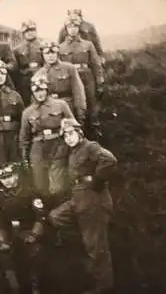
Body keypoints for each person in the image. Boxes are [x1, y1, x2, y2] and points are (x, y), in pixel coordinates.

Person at [48, 118, 117, 294]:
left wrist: (98, 180)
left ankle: (103, 286)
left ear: (79, 133)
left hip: (93, 199)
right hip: (78, 198)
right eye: (65, 136)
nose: (68, 138)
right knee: (56, 217)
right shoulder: (73, 151)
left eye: (71, 133)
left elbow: (109, 160)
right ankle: (87, 261)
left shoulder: (89, 146)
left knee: (96, 245)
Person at [0, 162, 47, 294]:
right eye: (3, 178)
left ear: (16, 175)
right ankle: (14, 286)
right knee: (5, 254)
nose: (7, 181)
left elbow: (40, 215)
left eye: (9, 176)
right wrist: (3, 238)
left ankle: (35, 285)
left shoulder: (30, 192)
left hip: (27, 230)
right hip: (9, 232)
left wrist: (34, 234)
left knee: (35, 252)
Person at [19, 75, 74, 201]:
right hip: (38, 149)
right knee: (40, 186)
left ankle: (59, 212)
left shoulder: (61, 105)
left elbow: (73, 124)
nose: (40, 93)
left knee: (58, 186)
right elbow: (24, 138)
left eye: (42, 90)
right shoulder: (27, 112)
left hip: (58, 146)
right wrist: (25, 158)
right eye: (36, 91)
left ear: (47, 89)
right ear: (32, 92)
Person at [58, 17, 105, 138]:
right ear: (66, 29)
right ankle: (76, 130)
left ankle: (94, 130)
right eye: (70, 27)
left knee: (91, 103)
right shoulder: (61, 47)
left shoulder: (88, 45)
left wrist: (99, 81)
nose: (72, 30)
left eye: (75, 27)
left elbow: (96, 64)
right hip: (70, 79)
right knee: (74, 104)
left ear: (78, 28)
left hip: (86, 77)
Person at [33, 40, 87, 124]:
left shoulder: (69, 68)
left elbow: (78, 91)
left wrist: (80, 110)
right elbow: (36, 98)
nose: (50, 56)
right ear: (42, 55)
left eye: (53, 53)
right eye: (47, 53)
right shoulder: (38, 74)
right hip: (49, 110)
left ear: (57, 54)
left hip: (69, 106)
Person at [13, 20, 44, 106]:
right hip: (24, 81)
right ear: (23, 33)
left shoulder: (43, 46)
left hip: (41, 78)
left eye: (32, 30)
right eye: (26, 31)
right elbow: (15, 69)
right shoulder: (17, 49)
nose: (29, 33)